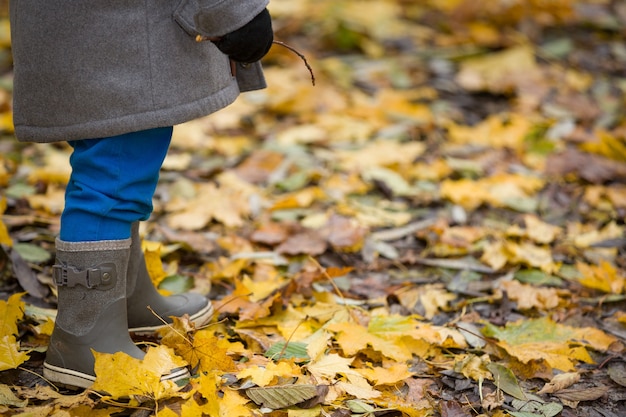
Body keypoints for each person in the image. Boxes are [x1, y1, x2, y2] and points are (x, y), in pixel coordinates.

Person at [9, 1, 273, 389]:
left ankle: (124, 299)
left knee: (114, 155)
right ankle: (85, 338)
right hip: (123, 33)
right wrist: (232, 10)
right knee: (114, 170)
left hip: (74, 29)